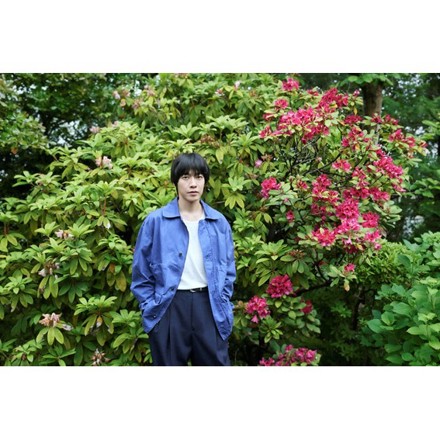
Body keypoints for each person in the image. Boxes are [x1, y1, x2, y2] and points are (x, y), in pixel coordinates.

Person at [131, 152, 236, 366]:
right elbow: (141, 273)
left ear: (205, 181)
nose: (193, 184)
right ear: (175, 181)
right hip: (169, 307)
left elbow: (228, 272)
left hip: (209, 308)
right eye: (185, 177)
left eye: (198, 177)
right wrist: (151, 307)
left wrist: (223, 302)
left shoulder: (218, 222)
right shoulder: (155, 222)